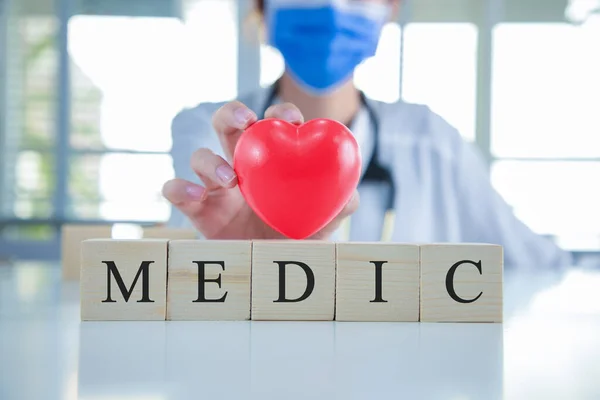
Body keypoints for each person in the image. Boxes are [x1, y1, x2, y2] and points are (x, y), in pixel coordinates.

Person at [161, 0, 573, 269]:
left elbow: (537, 264)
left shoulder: (431, 141)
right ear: (261, 8)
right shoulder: (214, 131)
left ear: (389, 8)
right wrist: (249, 260)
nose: (332, 5)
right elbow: (182, 276)